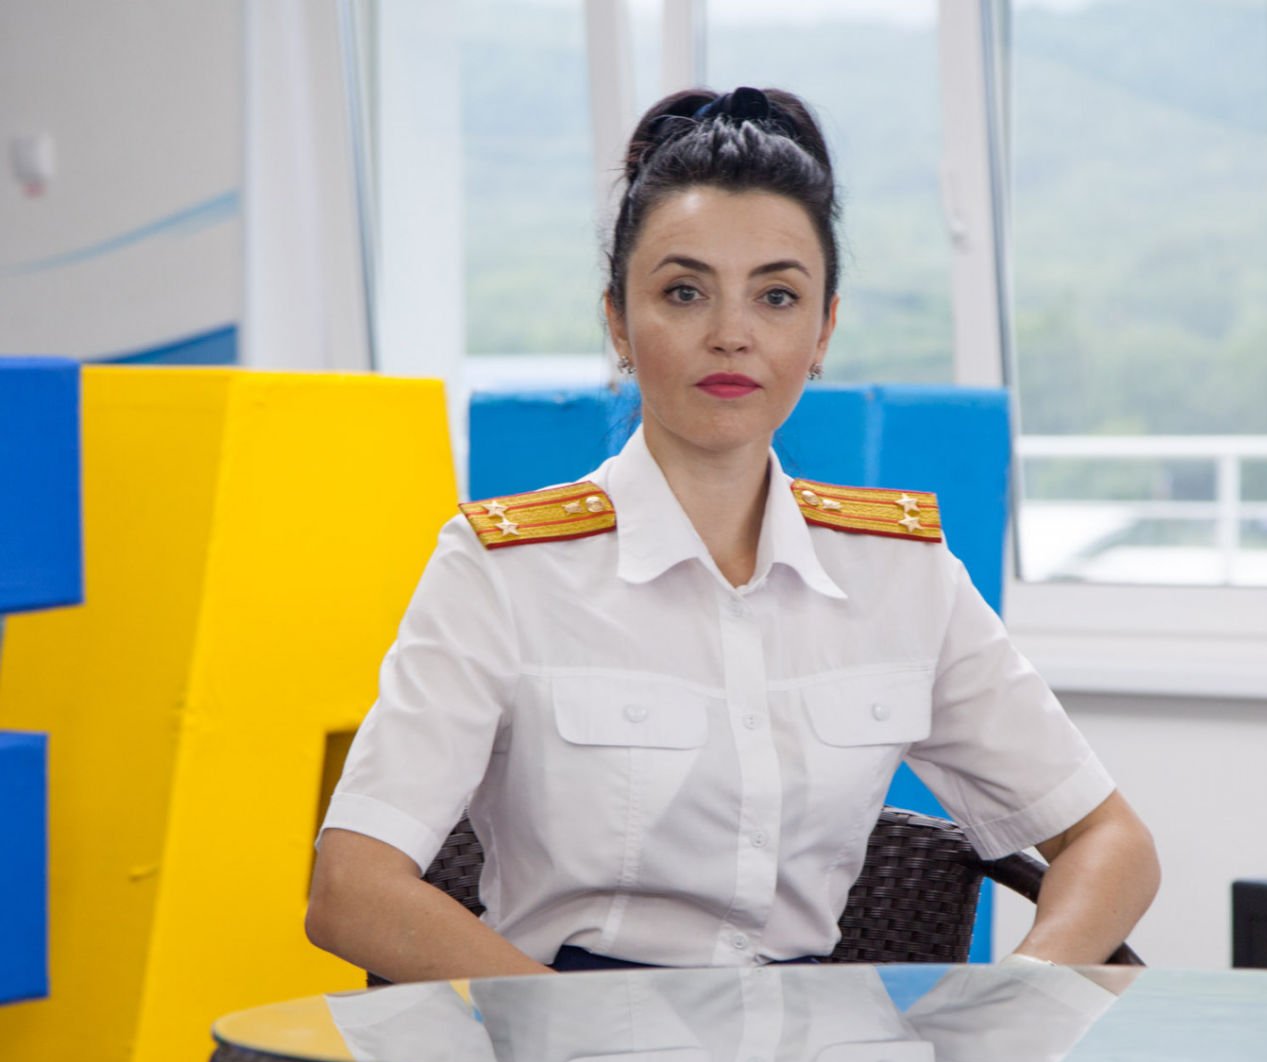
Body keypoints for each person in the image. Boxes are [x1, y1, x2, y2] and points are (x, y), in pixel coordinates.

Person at [306, 86, 1159, 982]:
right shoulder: (503, 570)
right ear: (618, 321)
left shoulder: (900, 575)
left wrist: (1017, 1001)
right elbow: (352, 887)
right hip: (571, 1037)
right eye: (684, 292)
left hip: (817, 1045)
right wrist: (565, 1037)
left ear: (824, 330)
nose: (731, 335)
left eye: (777, 296)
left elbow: (1110, 840)